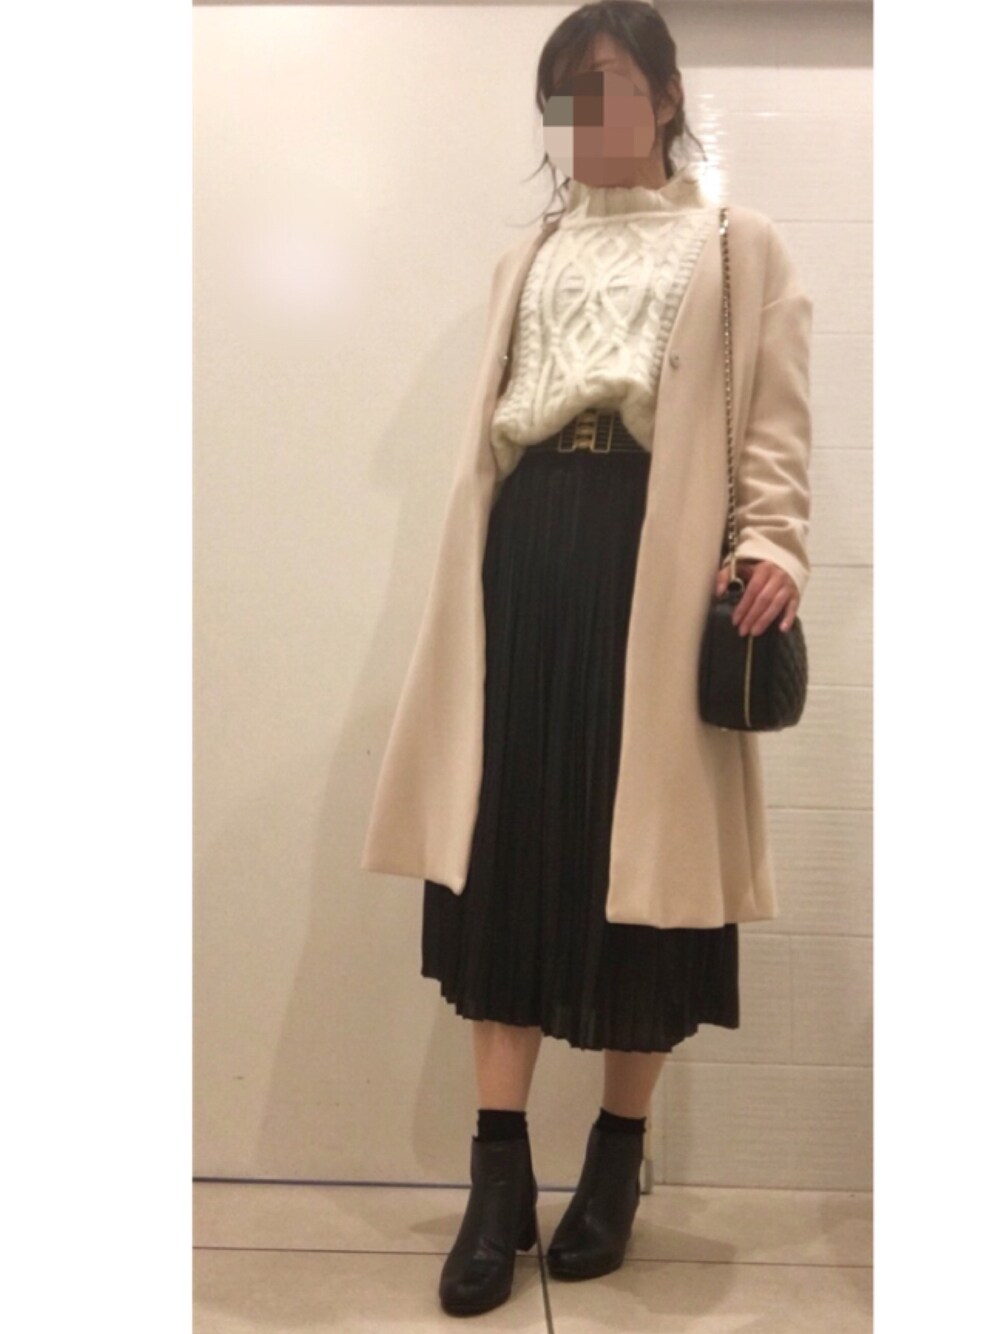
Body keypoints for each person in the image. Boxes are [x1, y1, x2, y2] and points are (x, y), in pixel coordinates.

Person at [361, 2, 813, 1317]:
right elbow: (494, 433)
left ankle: (616, 1161)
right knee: (504, 845)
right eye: (563, 94)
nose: (584, 116)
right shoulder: (529, 255)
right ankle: (497, 1176)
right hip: (524, 554)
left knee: (643, 872)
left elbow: (776, 421)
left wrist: (773, 538)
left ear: (666, 95)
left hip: (654, 560)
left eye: (607, 84)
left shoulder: (738, 244)